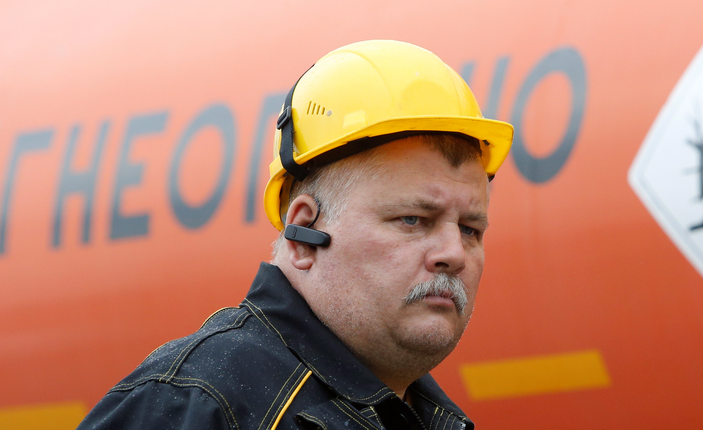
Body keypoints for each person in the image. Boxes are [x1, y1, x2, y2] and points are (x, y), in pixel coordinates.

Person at [78, 40, 513, 430]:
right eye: (413, 220)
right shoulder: (192, 405)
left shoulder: (427, 418)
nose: (454, 253)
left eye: (471, 229)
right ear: (304, 234)